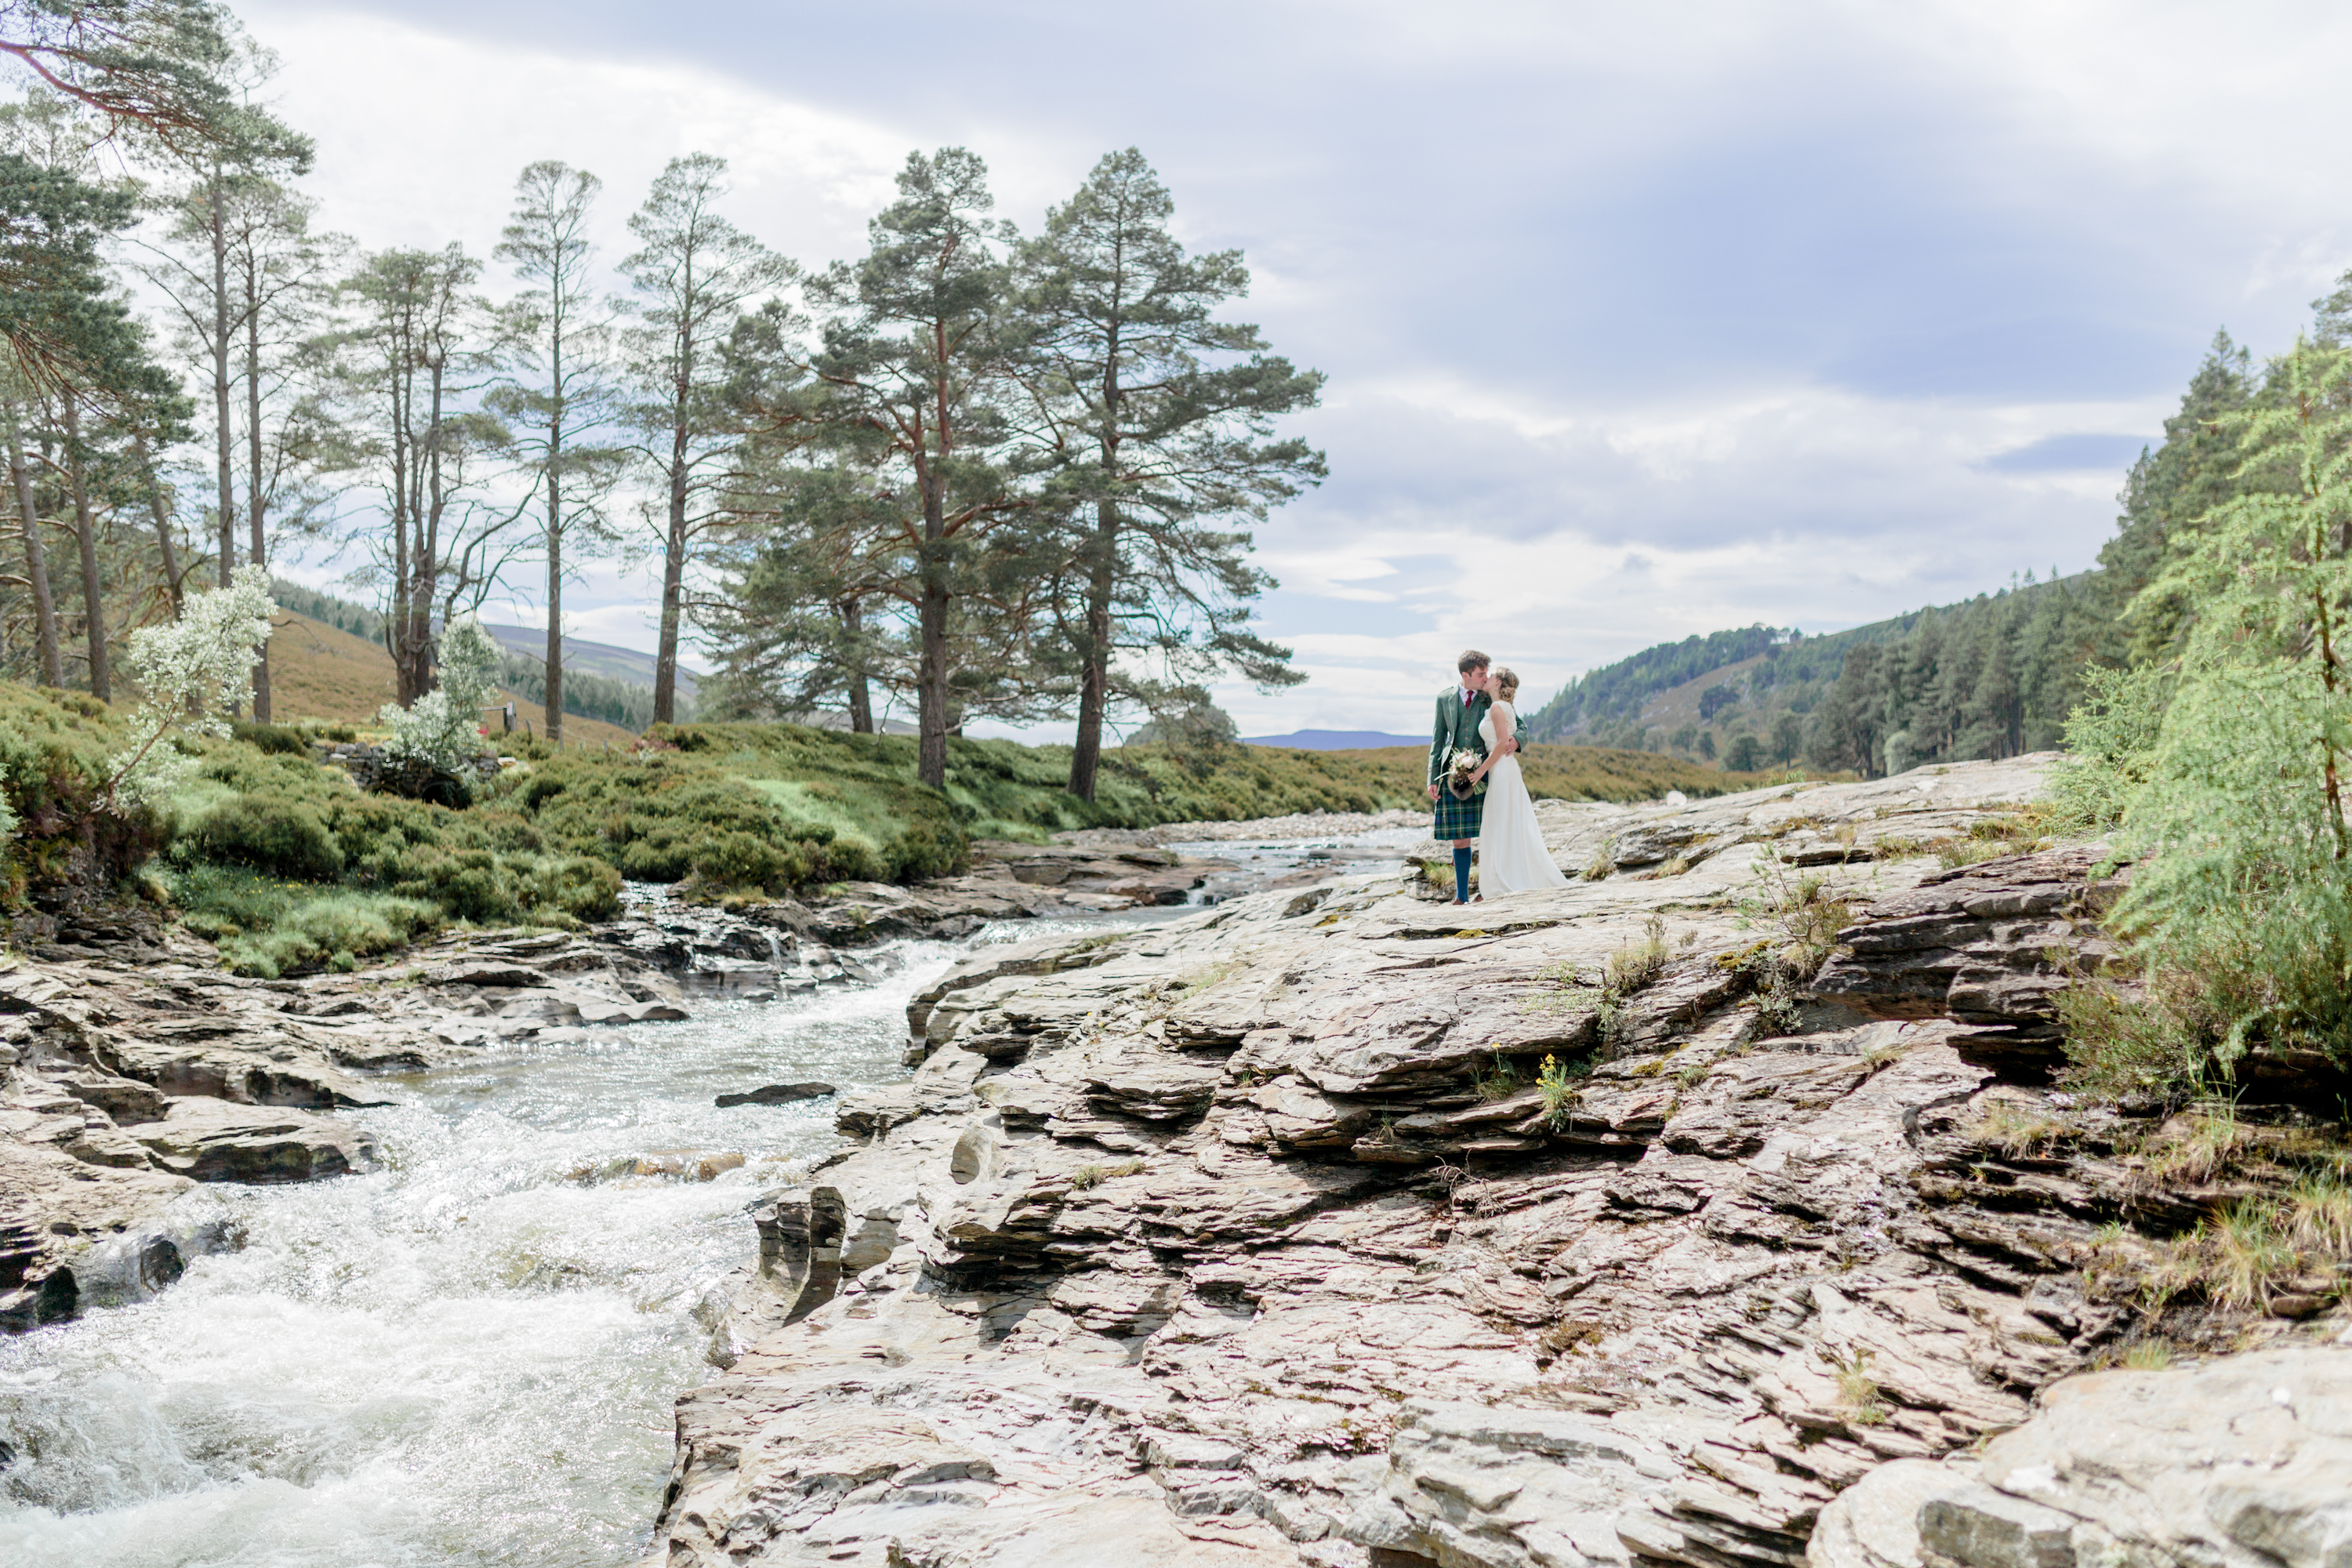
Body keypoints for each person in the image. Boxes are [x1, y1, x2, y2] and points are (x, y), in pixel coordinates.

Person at [1426, 649, 1519, 904]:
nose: (1485, 677)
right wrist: (1432, 778)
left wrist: (1516, 740)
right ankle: (1461, 896)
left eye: (1486, 673)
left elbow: (1518, 724)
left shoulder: (1489, 698)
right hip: (1453, 776)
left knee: (1490, 832)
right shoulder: (1444, 698)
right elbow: (1438, 740)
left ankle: (1488, 889)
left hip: (1485, 773)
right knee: (1459, 837)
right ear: (1465, 675)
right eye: (1480, 674)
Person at [1467, 665, 1569, 895]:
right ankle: (1513, 871)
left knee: (1501, 820)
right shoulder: (1505, 706)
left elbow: (1504, 742)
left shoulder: (1496, 707)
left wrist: (1481, 770)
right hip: (1505, 768)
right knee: (1509, 820)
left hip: (1500, 769)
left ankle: (1503, 877)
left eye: (1491, 675)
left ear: (1498, 682)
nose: (1488, 677)